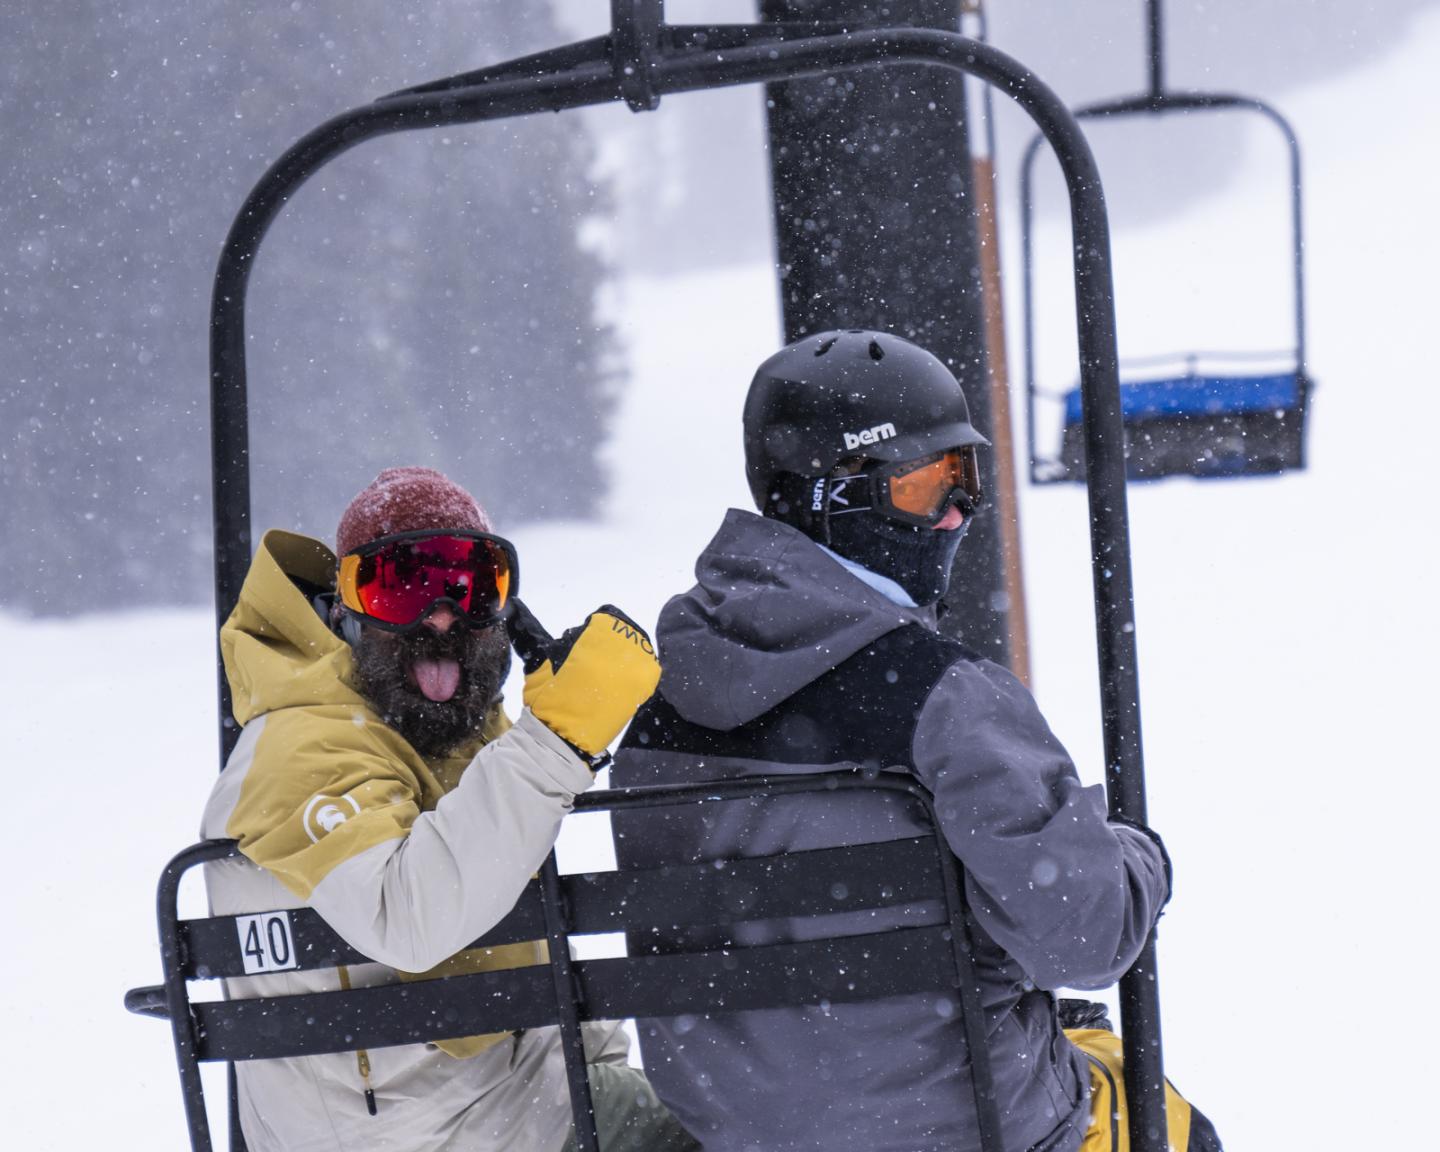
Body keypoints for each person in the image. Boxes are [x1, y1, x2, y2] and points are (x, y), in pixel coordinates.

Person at [611, 332, 1206, 1152]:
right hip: (960, 1125)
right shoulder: (939, 699)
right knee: (1165, 1120)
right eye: (930, 486)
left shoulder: (657, 698)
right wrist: (1141, 858)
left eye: (965, 480)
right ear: (837, 498)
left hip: (739, 1130)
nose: (960, 513)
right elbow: (1084, 934)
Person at [201, 466, 698, 1152]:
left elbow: (528, 934)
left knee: (741, 1115)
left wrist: (597, 1065)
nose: (440, 618)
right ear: (343, 604)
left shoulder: (451, 729)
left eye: (471, 586)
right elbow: (408, 918)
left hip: (509, 1105)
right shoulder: (302, 741)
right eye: (399, 588)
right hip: (430, 1134)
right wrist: (554, 742)